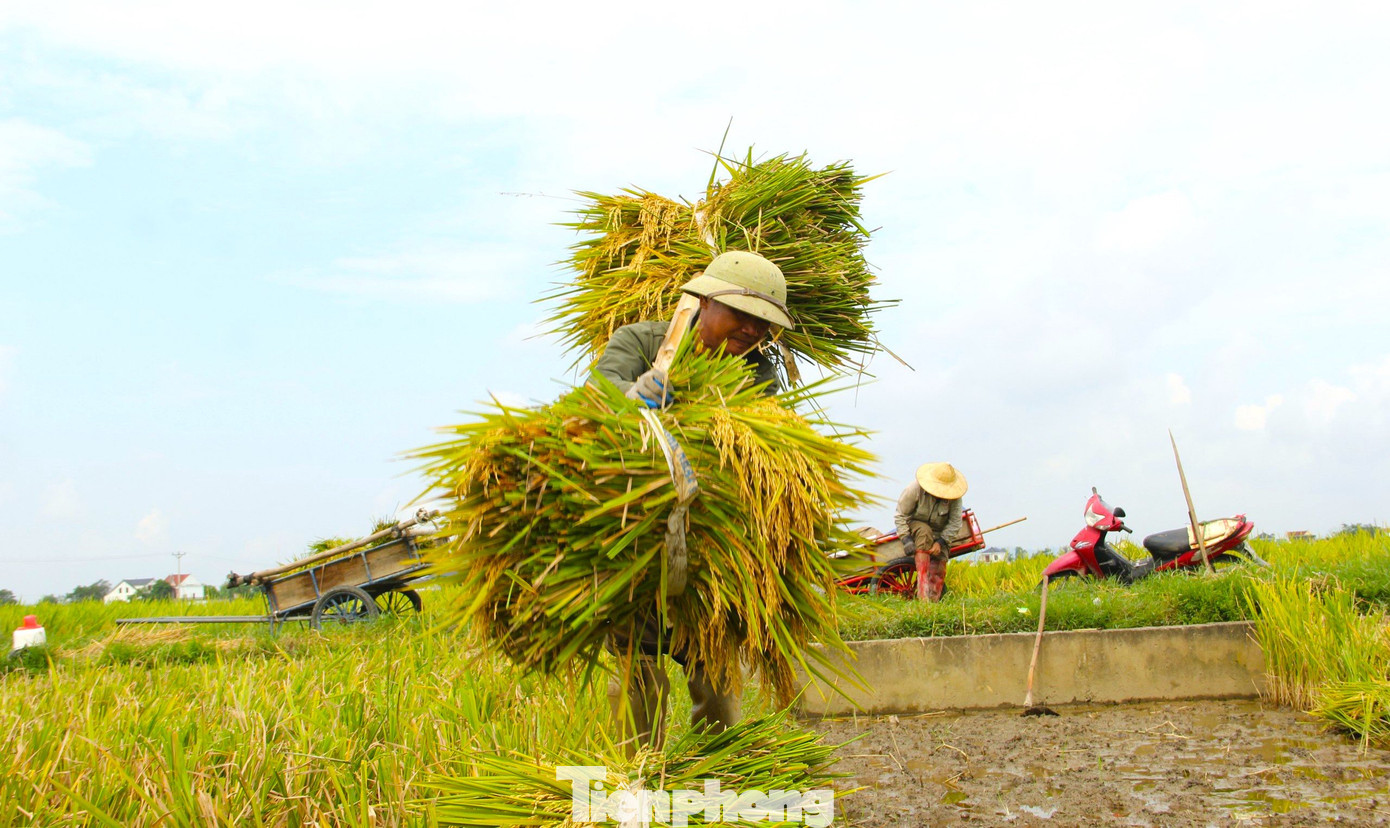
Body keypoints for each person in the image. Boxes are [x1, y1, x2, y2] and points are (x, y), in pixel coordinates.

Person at [591, 250, 794, 754]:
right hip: (637, 535)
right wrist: (629, 396)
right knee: (635, 676)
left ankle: (720, 779)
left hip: (711, 543)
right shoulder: (641, 342)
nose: (751, 330)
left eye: (763, 323)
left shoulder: (758, 374)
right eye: (740, 315)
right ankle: (636, 785)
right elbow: (595, 395)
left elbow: (767, 446)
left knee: (717, 679)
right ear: (702, 302)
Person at [893, 463, 968, 602]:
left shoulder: (955, 497)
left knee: (940, 563)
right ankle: (923, 597)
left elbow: (955, 523)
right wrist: (906, 540)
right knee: (924, 530)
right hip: (915, 526)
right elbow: (900, 516)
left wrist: (941, 542)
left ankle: (932, 602)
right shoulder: (914, 489)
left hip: (941, 532)